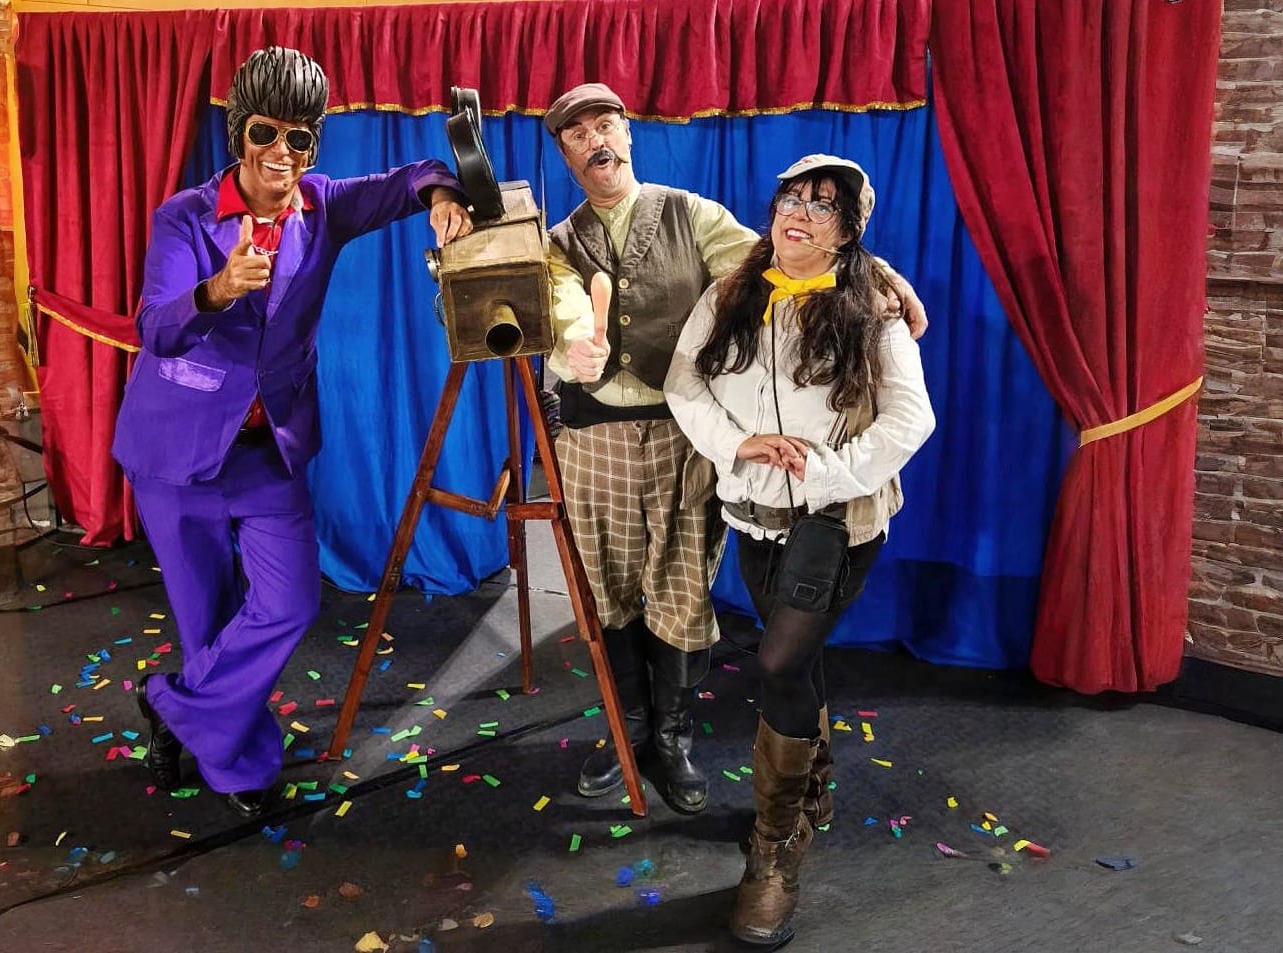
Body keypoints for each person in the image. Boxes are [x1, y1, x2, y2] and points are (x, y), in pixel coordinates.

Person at [543, 84, 928, 815]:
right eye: (576, 134)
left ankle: (674, 736)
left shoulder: (689, 214)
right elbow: (558, 308)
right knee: (606, 590)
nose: (596, 142)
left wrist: (880, 273)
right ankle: (627, 730)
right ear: (564, 154)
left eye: (606, 125)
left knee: (683, 588)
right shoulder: (555, 243)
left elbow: (780, 254)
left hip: (686, 438)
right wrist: (572, 347)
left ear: (628, 134)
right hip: (593, 437)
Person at [112, 46, 471, 817]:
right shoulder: (184, 217)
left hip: (267, 452)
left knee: (289, 603)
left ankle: (171, 703)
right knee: (207, 620)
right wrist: (216, 289)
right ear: (240, 132)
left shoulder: (325, 205)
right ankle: (236, 765)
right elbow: (155, 329)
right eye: (266, 132)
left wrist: (442, 194)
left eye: (300, 138)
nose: (281, 152)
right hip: (175, 454)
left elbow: (414, 175)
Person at [664, 154, 935, 945]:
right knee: (798, 660)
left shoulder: (872, 308)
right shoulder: (731, 293)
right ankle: (811, 781)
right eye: (792, 197)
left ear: (847, 231)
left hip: (836, 517)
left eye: (823, 205)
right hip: (753, 513)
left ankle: (775, 845)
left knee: (780, 661)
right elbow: (684, 384)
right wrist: (738, 444)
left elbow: (911, 417)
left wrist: (825, 472)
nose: (800, 213)